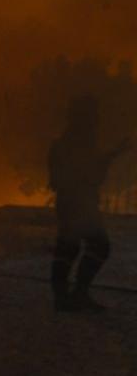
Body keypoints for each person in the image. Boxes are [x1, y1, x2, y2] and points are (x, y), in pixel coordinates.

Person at [48, 96, 129, 312]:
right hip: (78, 203)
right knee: (96, 246)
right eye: (93, 114)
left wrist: (110, 155)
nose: (97, 119)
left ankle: (65, 297)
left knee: (69, 247)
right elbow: (89, 173)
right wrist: (111, 156)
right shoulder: (79, 141)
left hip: (72, 202)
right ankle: (75, 295)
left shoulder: (67, 141)